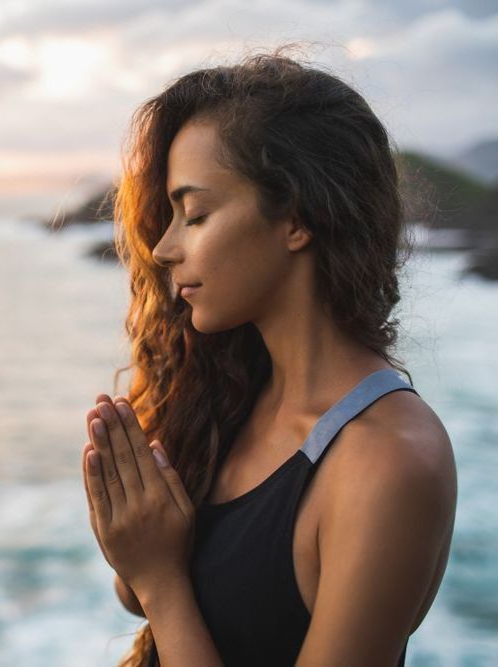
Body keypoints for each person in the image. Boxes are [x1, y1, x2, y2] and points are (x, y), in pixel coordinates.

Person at [83, 44, 458, 666]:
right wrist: (136, 537)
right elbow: (139, 594)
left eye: (194, 213)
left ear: (296, 218)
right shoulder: (229, 389)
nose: (164, 247)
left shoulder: (387, 462)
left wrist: (161, 579)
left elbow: (158, 590)